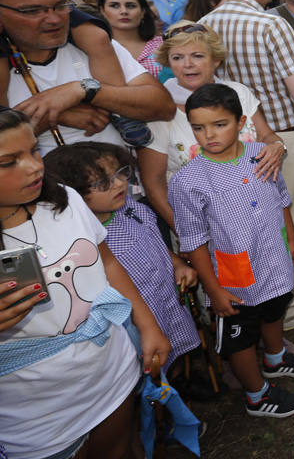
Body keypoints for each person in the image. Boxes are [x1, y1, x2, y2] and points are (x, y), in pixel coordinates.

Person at [0, 108, 171, 459]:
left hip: (111, 370)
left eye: (34, 150)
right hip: (37, 412)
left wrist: (147, 323)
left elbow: (105, 260)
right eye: (8, 161)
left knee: (123, 447)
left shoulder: (63, 200)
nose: (34, 166)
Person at [199, 0, 294, 331]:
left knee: (246, 232)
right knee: (293, 225)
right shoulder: (270, 24)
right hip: (280, 140)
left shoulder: (205, 24)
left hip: (225, 146)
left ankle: (256, 303)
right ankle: (293, 308)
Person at [169, 83, 294, 419]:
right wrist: (214, 289)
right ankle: (256, 394)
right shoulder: (187, 181)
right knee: (240, 335)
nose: (209, 135)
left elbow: (281, 202)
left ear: (240, 122)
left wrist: (291, 242)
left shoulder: (261, 155)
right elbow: (193, 242)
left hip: (273, 258)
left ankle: (276, 357)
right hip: (233, 278)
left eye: (219, 124)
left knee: (274, 308)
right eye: (198, 127)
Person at [43, 141, 201, 376]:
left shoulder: (132, 208)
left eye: (118, 173)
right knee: (148, 369)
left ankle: (175, 389)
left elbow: (154, 240)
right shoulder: (83, 241)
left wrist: (177, 263)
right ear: (71, 193)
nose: (118, 184)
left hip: (167, 301)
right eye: (101, 183)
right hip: (136, 319)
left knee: (173, 353)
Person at [0, 0, 174, 154]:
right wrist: (59, 115)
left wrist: (82, 90)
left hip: (122, 177)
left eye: (60, 6)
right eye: (32, 11)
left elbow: (163, 107)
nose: (54, 19)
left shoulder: (93, 41)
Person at [137, 20, 286, 229]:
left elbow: (268, 137)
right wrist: (186, 232)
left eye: (197, 56)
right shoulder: (159, 111)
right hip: (204, 227)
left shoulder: (239, 94)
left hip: (260, 216)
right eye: (178, 57)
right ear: (168, 63)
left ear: (216, 60)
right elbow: (153, 184)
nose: (188, 64)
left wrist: (277, 147)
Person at [97, 0, 164, 78]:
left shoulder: (164, 46)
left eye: (131, 6)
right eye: (114, 6)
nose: (124, 11)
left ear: (143, 12)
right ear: (102, 11)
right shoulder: (96, 49)